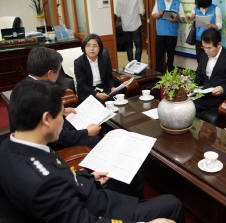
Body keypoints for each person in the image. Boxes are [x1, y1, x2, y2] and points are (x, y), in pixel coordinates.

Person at [0, 79, 185, 223]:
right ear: (46, 119)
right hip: (97, 210)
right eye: (61, 114)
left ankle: (139, 207)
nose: (63, 122)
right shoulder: (44, 184)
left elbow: (59, 179)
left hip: (85, 189)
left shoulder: (8, 146)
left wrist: (88, 177)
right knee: (172, 204)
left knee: (131, 171)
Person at [9, 47, 101, 151]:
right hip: (45, 145)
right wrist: (86, 132)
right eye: (58, 72)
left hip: (22, 142)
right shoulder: (45, 95)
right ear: (49, 74)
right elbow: (58, 138)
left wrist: (61, 111)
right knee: (95, 139)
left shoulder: (20, 86)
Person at [193, 28, 226, 124]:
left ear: (218, 44)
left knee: (190, 105)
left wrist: (223, 88)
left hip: (220, 95)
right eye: (204, 47)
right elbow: (199, 75)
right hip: (204, 92)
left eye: (209, 48)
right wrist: (191, 88)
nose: (206, 51)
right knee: (183, 99)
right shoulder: (203, 56)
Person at [74, 33, 117, 103]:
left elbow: (108, 77)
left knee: (116, 102)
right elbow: (82, 85)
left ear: (99, 48)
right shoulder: (78, 62)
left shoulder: (105, 59)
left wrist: (112, 88)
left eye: (95, 46)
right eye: (88, 45)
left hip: (102, 88)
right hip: (87, 91)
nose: (92, 49)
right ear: (84, 48)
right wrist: (96, 94)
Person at [152, 0, 185, 73]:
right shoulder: (158, 2)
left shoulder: (178, 3)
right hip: (161, 33)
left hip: (172, 33)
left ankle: (169, 72)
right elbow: (154, 15)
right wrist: (160, 14)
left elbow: (182, 17)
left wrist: (176, 19)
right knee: (159, 54)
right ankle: (158, 71)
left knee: (171, 55)